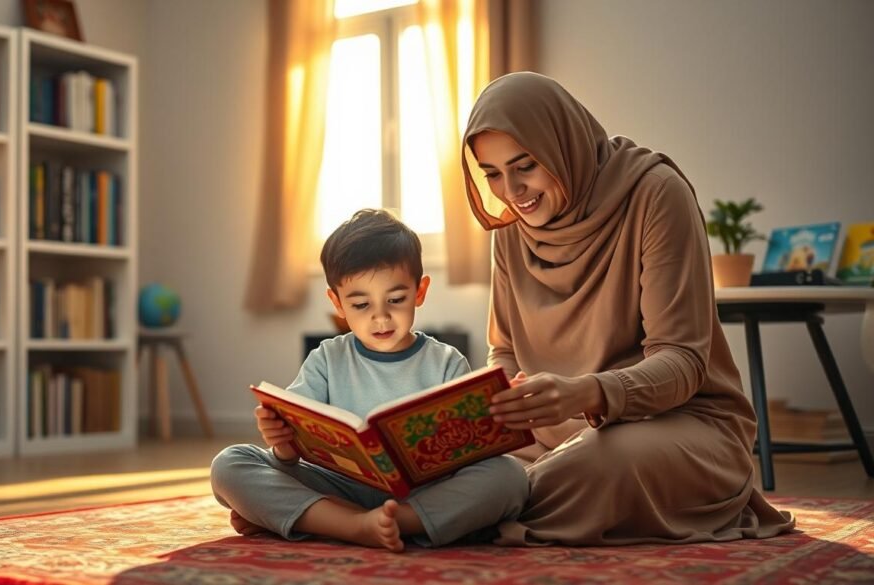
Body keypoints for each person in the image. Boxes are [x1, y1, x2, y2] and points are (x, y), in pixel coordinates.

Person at [460, 72, 795, 545]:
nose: (511, 192)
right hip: (551, 437)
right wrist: (501, 401)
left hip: (680, 426)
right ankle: (475, 505)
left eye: (525, 166)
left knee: (594, 466)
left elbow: (682, 362)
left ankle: (468, 513)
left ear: (562, 144)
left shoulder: (656, 194)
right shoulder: (513, 229)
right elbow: (505, 351)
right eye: (492, 174)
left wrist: (586, 393)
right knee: (458, 468)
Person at [211, 209, 529, 552]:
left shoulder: (447, 362)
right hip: (338, 486)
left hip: (423, 493)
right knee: (230, 464)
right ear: (337, 303)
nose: (381, 317)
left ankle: (381, 522)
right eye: (361, 304)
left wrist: (500, 414)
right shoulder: (326, 359)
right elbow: (293, 451)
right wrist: (282, 446)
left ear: (420, 292)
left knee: (509, 476)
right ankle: (356, 525)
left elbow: (470, 450)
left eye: (396, 300)